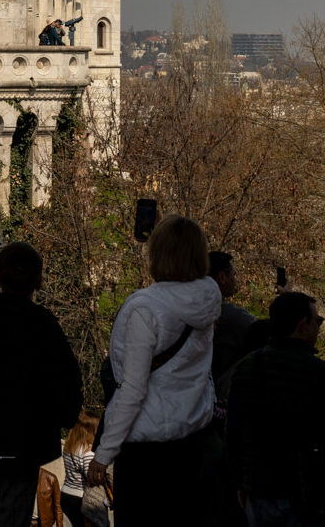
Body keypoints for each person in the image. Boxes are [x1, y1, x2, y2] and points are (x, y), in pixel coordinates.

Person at [88, 215, 222, 526]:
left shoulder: (145, 308)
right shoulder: (207, 296)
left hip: (148, 452)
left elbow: (133, 388)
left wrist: (105, 452)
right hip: (193, 441)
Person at [0, 242, 81, 527]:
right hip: (24, 447)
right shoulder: (44, 325)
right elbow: (68, 383)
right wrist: (57, 420)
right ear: (38, 281)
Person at [224, 293, 325, 527]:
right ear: (302, 324)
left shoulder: (247, 367)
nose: (318, 326)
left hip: (257, 486)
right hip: (301, 492)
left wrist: (239, 482)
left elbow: (233, 431)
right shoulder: (321, 374)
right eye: (318, 321)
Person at [209, 252, 258, 401]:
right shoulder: (231, 317)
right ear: (222, 277)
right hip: (219, 396)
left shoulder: (190, 312)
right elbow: (265, 332)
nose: (235, 280)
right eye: (233, 275)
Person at [57, 413, 98, 527]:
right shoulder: (87, 452)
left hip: (66, 493)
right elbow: (90, 476)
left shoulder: (70, 447)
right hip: (80, 497)